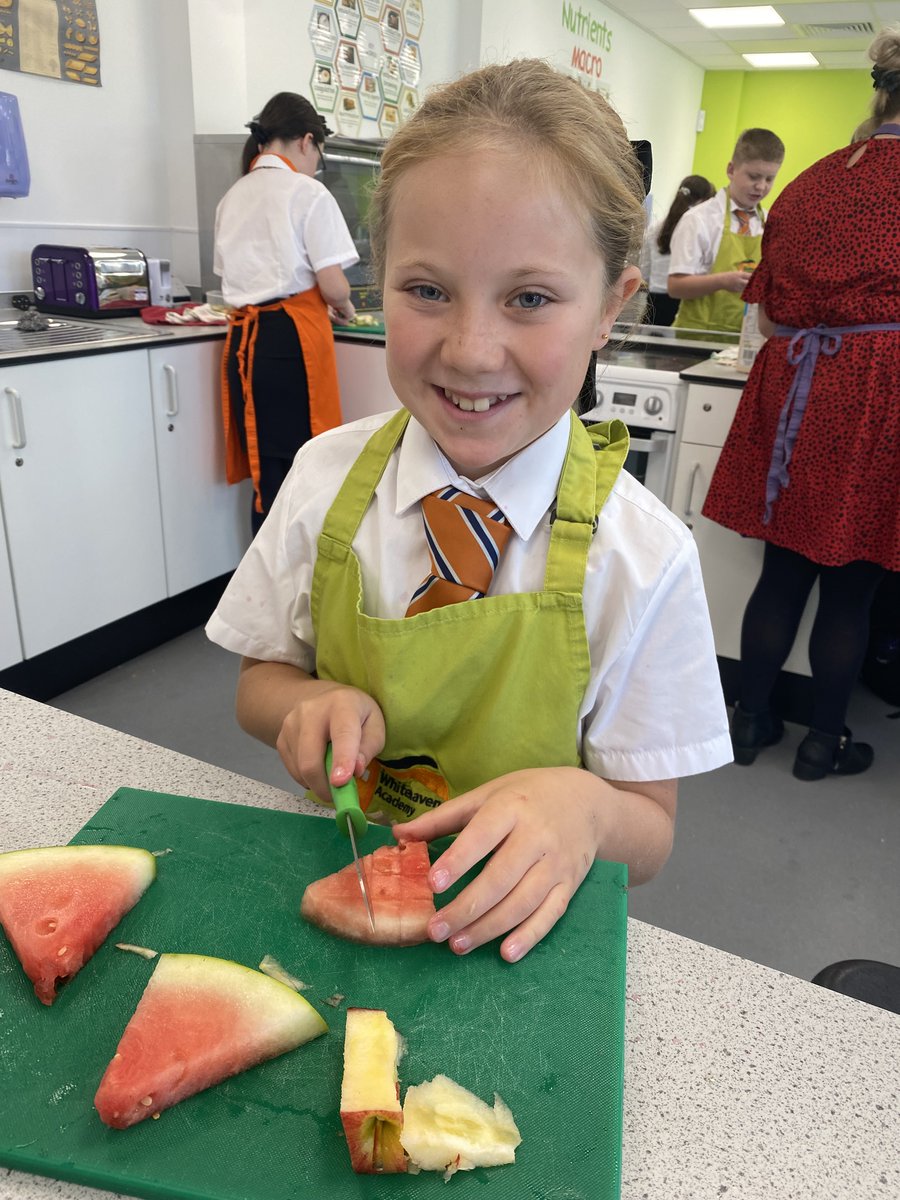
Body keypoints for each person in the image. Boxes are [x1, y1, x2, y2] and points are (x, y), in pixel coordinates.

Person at [206, 59, 731, 963]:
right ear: (380, 286)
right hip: (343, 892)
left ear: (611, 307)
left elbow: (649, 830)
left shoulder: (646, 558)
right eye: (427, 290)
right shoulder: (325, 478)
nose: (471, 349)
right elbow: (262, 683)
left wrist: (587, 808)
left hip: (523, 940)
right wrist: (308, 702)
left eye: (529, 298)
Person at [701, 24, 900, 781]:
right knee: (852, 587)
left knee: (779, 575)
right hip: (881, 396)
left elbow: (771, 318)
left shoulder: (811, 182)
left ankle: (750, 721)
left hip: (797, 389)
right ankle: (822, 743)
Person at [214, 92, 358, 533]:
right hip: (288, 345)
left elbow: (241, 280)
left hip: (244, 344)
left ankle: (265, 577)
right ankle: (301, 575)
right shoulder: (307, 192)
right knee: (303, 460)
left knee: (268, 464)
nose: (316, 162)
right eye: (319, 153)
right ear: (307, 141)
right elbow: (333, 285)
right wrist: (345, 307)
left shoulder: (232, 196)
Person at [667, 128, 785, 332]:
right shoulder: (698, 220)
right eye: (754, 176)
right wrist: (722, 281)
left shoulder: (771, 224)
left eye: (769, 179)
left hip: (745, 339)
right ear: (731, 170)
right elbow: (675, 287)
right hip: (696, 338)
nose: (761, 187)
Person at [640, 174, 715, 326]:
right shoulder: (698, 230)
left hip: (655, 306)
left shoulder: (655, 229)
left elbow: (645, 273)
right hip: (683, 305)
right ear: (704, 201)